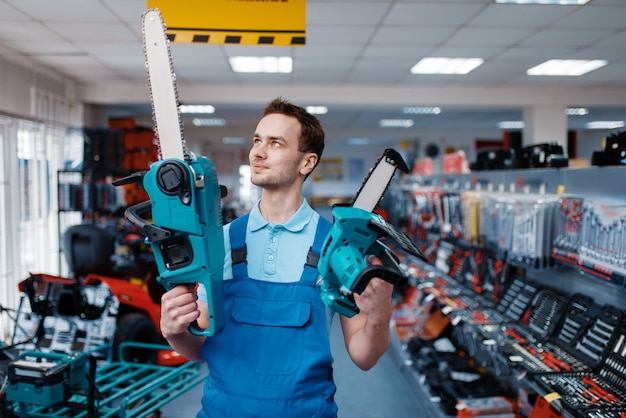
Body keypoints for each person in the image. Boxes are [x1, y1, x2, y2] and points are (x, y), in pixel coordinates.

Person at [159, 97, 395, 417]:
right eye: (257, 140)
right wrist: (175, 331)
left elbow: (363, 356)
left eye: (275, 143)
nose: (258, 151)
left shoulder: (336, 248)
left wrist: (379, 317)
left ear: (306, 162)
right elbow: (200, 346)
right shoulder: (222, 240)